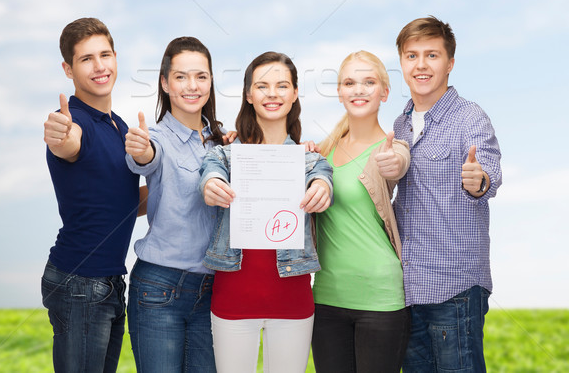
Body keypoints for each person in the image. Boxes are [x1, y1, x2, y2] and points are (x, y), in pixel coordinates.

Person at [200, 52, 333, 373]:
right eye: (262, 86)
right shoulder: (225, 156)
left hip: (292, 302)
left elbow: (323, 178)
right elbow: (210, 173)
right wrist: (213, 184)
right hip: (232, 300)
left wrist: (322, 189)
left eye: (282, 85)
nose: (272, 93)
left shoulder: (311, 160)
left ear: (294, 93)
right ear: (249, 95)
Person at [393, 16, 502, 372]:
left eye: (432, 55)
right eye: (412, 56)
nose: (421, 65)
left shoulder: (470, 117)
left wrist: (478, 181)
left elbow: (488, 174)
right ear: (402, 62)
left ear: (450, 63)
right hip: (409, 287)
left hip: (454, 288)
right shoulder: (400, 124)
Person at [41, 17, 140, 373]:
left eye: (105, 55)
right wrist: (59, 135)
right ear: (68, 69)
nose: (100, 66)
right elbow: (67, 143)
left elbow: (124, 201)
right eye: (86, 59)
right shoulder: (72, 121)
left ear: (115, 58)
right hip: (80, 281)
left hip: (110, 281)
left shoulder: (120, 126)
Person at [124, 37, 227, 373]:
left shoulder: (225, 142)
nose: (192, 86)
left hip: (213, 291)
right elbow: (146, 157)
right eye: (181, 77)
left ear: (211, 81)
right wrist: (140, 150)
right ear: (165, 83)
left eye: (201, 76)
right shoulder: (156, 137)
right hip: (159, 289)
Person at [311, 51, 411, 373]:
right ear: (340, 92)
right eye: (350, 82)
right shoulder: (321, 153)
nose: (359, 90)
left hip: (380, 298)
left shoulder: (391, 147)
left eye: (369, 82)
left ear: (384, 92)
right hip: (326, 297)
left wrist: (394, 163)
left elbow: (398, 163)